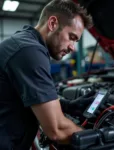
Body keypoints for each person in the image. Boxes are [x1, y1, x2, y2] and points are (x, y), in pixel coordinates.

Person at [0, 0, 92, 149]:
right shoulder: (29, 51)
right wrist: (98, 136)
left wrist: (68, 106)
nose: (73, 48)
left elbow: (26, 97)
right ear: (53, 23)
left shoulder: (24, 42)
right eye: (72, 37)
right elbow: (57, 130)